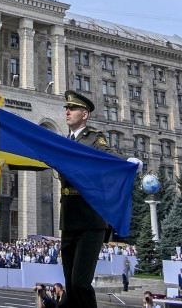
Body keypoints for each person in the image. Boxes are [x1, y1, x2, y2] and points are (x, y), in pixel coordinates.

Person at [59, 90, 142, 308]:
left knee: (80, 283)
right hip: (68, 218)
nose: (67, 111)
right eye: (66, 108)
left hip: (90, 218)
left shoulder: (94, 138)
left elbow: (106, 154)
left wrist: (126, 160)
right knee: (70, 284)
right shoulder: (63, 141)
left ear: (84, 114)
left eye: (72, 108)